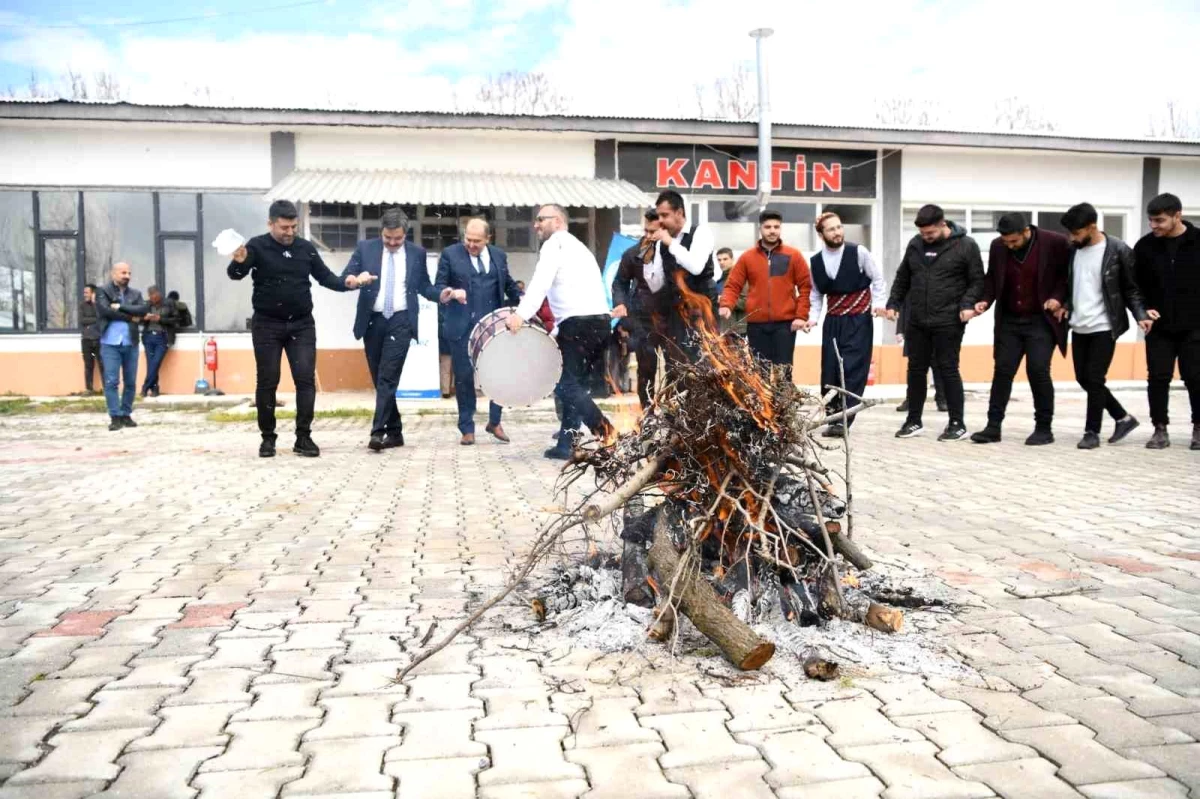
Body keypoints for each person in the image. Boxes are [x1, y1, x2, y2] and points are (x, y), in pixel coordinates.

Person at [228, 199, 364, 458]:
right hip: (267, 324)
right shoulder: (256, 245)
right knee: (268, 381)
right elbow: (236, 274)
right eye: (284, 227)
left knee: (305, 380)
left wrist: (349, 282)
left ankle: (304, 437)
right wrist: (239, 261)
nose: (290, 232)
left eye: (294, 227)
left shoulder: (305, 248)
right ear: (271, 224)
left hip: (301, 325)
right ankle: (268, 439)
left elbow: (326, 278)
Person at [505, 204, 615, 459]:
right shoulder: (580, 247)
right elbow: (577, 291)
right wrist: (556, 330)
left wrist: (520, 315)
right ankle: (566, 444)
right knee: (575, 385)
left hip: (579, 324)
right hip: (599, 323)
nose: (536, 225)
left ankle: (605, 430)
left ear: (557, 221)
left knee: (564, 385)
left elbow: (540, 282)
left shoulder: (554, 244)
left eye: (540, 220)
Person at [340, 208, 444, 453]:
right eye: (388, 238)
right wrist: (355, 280)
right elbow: (347, 276)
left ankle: (378, 432)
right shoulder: (366, 249)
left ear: (405, 234)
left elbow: (424, 287)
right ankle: (395, 432)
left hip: (401, 320)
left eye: (398, 238)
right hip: (372, 321)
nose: (393, 243)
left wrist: (441, 295)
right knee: (380, 379)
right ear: (382, 232)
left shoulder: (416, 254)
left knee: (387, 377)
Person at [1055, 203, 1150, 449]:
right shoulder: (1074, 250)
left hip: (1104, 325)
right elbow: (1073, 284)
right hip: (1078, 325)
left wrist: (1140, 314)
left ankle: (1091, 432)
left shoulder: (1118, 250)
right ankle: (1123, 418)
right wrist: (1065, 303)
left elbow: (1131, 288)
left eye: (1076, 233)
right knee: (1082, 378)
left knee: (1095, 378)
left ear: (1092, 227)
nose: (1071, 238)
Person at [885, 204, 985, 441]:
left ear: (943, 224)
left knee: (948, 368)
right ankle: (913, 421)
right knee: (916, 370)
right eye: (922, 233)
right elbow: (903, 277)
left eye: (930, 233)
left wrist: (967, 305)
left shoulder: (966, 245)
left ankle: (957, 423)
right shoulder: (915, 244)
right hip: (918, 319)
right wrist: (893, 303)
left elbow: (977, 280)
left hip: (949, 319)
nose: (926, 237)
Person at [970, 213, 1071, 445]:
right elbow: (992, 279)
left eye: (1014, 241)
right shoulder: (998, 247)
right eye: (1006, 242)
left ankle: (1044, 428)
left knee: (1038, 370)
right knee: (1003, 370)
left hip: (1041, 321)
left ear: (1027, 231)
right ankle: (993, 427)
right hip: (1009, 321)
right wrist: (985, 300)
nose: (1010, 246)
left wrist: (1058, 298)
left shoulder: (1054, 242)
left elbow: (1067, 276)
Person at [435, 218, 522, 445]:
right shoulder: (450, 254)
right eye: (468, 239)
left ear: (487, 239)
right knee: (463, 378)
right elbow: (438, 286)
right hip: (461, 326)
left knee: (497, 375)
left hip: (492, 327)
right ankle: (467, 428)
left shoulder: (499, 256)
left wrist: (523, 302)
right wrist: (452, 293)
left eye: (476, 241)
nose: (471, 244)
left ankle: (495, 421)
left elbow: (508, 285)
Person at [799, 212, 887, 436]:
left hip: (859, 319)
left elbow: (877, 279)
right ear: (821, 234)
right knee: (830, 370)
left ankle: (845, 420)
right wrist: (813, 318)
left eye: (839, 227)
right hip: (833, 322)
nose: (837, 232)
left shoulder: (858, 252)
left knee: (852, 369)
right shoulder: (816, 262)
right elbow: (817, 295)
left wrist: (878, 304)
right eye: (831, 229)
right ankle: (832, 417)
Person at [1134, 193, 1200, 450]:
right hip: (1159, 327)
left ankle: (1198, 428)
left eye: (1159, 220)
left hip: (1195, 326)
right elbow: (1134, 286)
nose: (1154, 226)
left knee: (1195, 377)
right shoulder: (1145, 247)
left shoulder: (1198, 241)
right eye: (1151, 220)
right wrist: (1142, 310)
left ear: (1177, 216)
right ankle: (1159, 429)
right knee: (1158, 378)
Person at [719, 210, 812, 373]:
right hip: (756, 325)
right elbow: (733, 285)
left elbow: (805, 287)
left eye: (776, 226)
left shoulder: (794, 255)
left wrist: (801, 316)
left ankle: (783, 400)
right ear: (760, 229)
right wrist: (726, 304)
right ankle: (763, 400)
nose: (772, 230)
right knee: (760, 373)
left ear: (781, 228)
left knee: (783, 373)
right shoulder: (747, 257)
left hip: (785, 325)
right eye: (768, 227)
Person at [648, 190, 718, 364]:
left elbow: (695, 267)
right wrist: (648, 259)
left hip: (702, 310)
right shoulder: (661, 243)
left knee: (706, 362)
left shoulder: (701, 232)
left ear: (679, 212)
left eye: (665, 215)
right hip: (676, 313)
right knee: (678, 363)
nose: (661, 221)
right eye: (659, 216)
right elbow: (656, 284)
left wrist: (670, 243)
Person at [612, 209, 666, 409]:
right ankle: (648, 412)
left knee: (678, 368)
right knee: (646, 368)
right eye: (647, 231)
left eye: (654, 231)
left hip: (671, 318)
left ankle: (677, 414)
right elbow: (619, 282)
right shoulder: (633, 254)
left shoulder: (675, 253)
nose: (650, 236)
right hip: (642, 319)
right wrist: (620, 303)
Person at [94, 263, 147, 431]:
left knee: (130, 382)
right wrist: (131, 317)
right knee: (111, 381)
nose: (127, 276)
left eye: (129, 273)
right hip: (110, 343)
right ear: (113, 274)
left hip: (130, 342)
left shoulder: (136, 293)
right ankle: (115, 416)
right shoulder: (103, 291)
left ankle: (126, 414)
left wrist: (121, 307)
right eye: (123, 272)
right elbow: (105, 311)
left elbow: (143, 309)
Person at [895, 300, 946, 414]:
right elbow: (904, 307)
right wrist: (899, 330)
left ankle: (941, 399)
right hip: (914, 329)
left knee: (937, 367)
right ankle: (911, 400)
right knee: (914, 369)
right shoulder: (911, 285)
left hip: (935, 329)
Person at [140, 285, 177, 398]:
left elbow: (176, 320)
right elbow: (137, 320)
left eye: (154, 295)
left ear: (159, 294)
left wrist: (160, 319)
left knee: (155, 362)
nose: (152, 298)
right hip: (148, 337)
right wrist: (144, 318)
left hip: (163, 337)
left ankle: (145, 387)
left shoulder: (169, 303)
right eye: (150, 295)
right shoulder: (146, 305)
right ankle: (155, 389)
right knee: (151, 363)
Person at [714, 247, 747, 335]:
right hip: (725, 329)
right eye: (719, 260)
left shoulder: (740, 278)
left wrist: (723, 300)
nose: (722, 262)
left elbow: (745, 302)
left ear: (732, 259)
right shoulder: (720, 280)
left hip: (738, 330)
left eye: (725, 259)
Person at [80, 284, 101, 394]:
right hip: (86, 339)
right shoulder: (82, 306)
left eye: (87, 292)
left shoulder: (99, 306)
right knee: (88, 365)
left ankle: (107, 389)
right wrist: (93, 321)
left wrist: (95, 304)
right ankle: (89, 389)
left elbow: (100, 318)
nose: (85, 295)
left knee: (103, 364)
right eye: (84, 293)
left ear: (93, 294)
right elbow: (82, 320)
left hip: (99, 339)